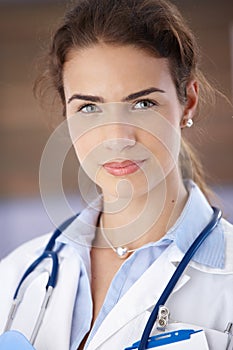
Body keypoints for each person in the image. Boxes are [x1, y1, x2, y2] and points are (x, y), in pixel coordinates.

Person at [0, 0, 232, 349]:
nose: (117, 138)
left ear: (188, 102)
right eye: (89, 108)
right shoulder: (16, 275)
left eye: (143, 104)